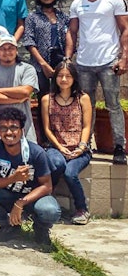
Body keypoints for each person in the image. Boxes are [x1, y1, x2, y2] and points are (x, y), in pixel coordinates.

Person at [66, 0, 128, 165]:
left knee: (113, 104)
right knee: (86, 105)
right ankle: (86, 145)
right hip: (84, 62)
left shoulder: (114, 1)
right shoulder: (77, 3)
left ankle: (119, 146)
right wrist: (68, 58)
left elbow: (124, 29)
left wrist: (123, 57)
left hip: (108, 62)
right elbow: (72, 32)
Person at [0, 107, 61, 247]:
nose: (8, 132)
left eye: (14, 128)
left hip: (32, 197)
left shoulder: (36, 152)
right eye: (3, 128)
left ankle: (41, 228)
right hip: (6, 195)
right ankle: (9, 225)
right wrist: (13, 178)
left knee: (50, 210)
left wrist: (20, 203)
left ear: (22, 130)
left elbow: (47, 186)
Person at [41, 61, 92, 225]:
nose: (64, 79)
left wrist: (81, 147)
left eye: (68, 76)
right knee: (56, 164)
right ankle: (45, 198)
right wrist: (60, 147)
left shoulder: (83, 98)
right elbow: (47, 130)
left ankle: (82, 209)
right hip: (55, 146)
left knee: (70, 173)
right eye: (60, 76)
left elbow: (86, 126)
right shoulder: (47, 99)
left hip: (79, 149)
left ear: (74, 78)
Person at [0, 35, 38, 142]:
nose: (7, 52)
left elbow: (25, 92)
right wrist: (17, 99)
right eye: (3, 49)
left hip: (24, 131)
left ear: (16, 50)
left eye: (11, 48)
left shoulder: (27, 69)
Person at [23, 0, 71, 96]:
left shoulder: (64, 17)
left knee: (62, 97)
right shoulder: (32, 17)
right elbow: (29, 42)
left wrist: (67, 61)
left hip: (61, 64)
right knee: (44, 98)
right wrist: (43, 64)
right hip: (40, 65)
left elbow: (71, 39)